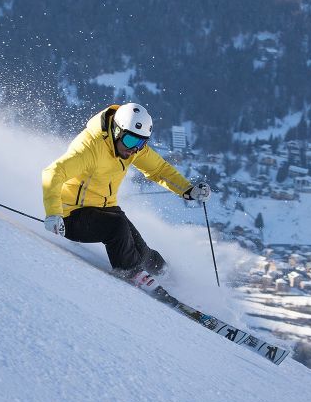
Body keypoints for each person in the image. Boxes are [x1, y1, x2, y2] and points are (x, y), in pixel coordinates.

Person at [42, 103, 211, 293]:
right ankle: (130, 273)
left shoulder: (130, 147)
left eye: (141, 143)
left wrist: (188, 190)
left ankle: (176, 284)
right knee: (117, 228)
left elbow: (159, 170)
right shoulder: (90, 147)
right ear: (117, 130)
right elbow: (53, 173)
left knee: (143, 251)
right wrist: (53, 213)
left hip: (105, 210)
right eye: (131, 141)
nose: (134, 149)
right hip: (71, 216)